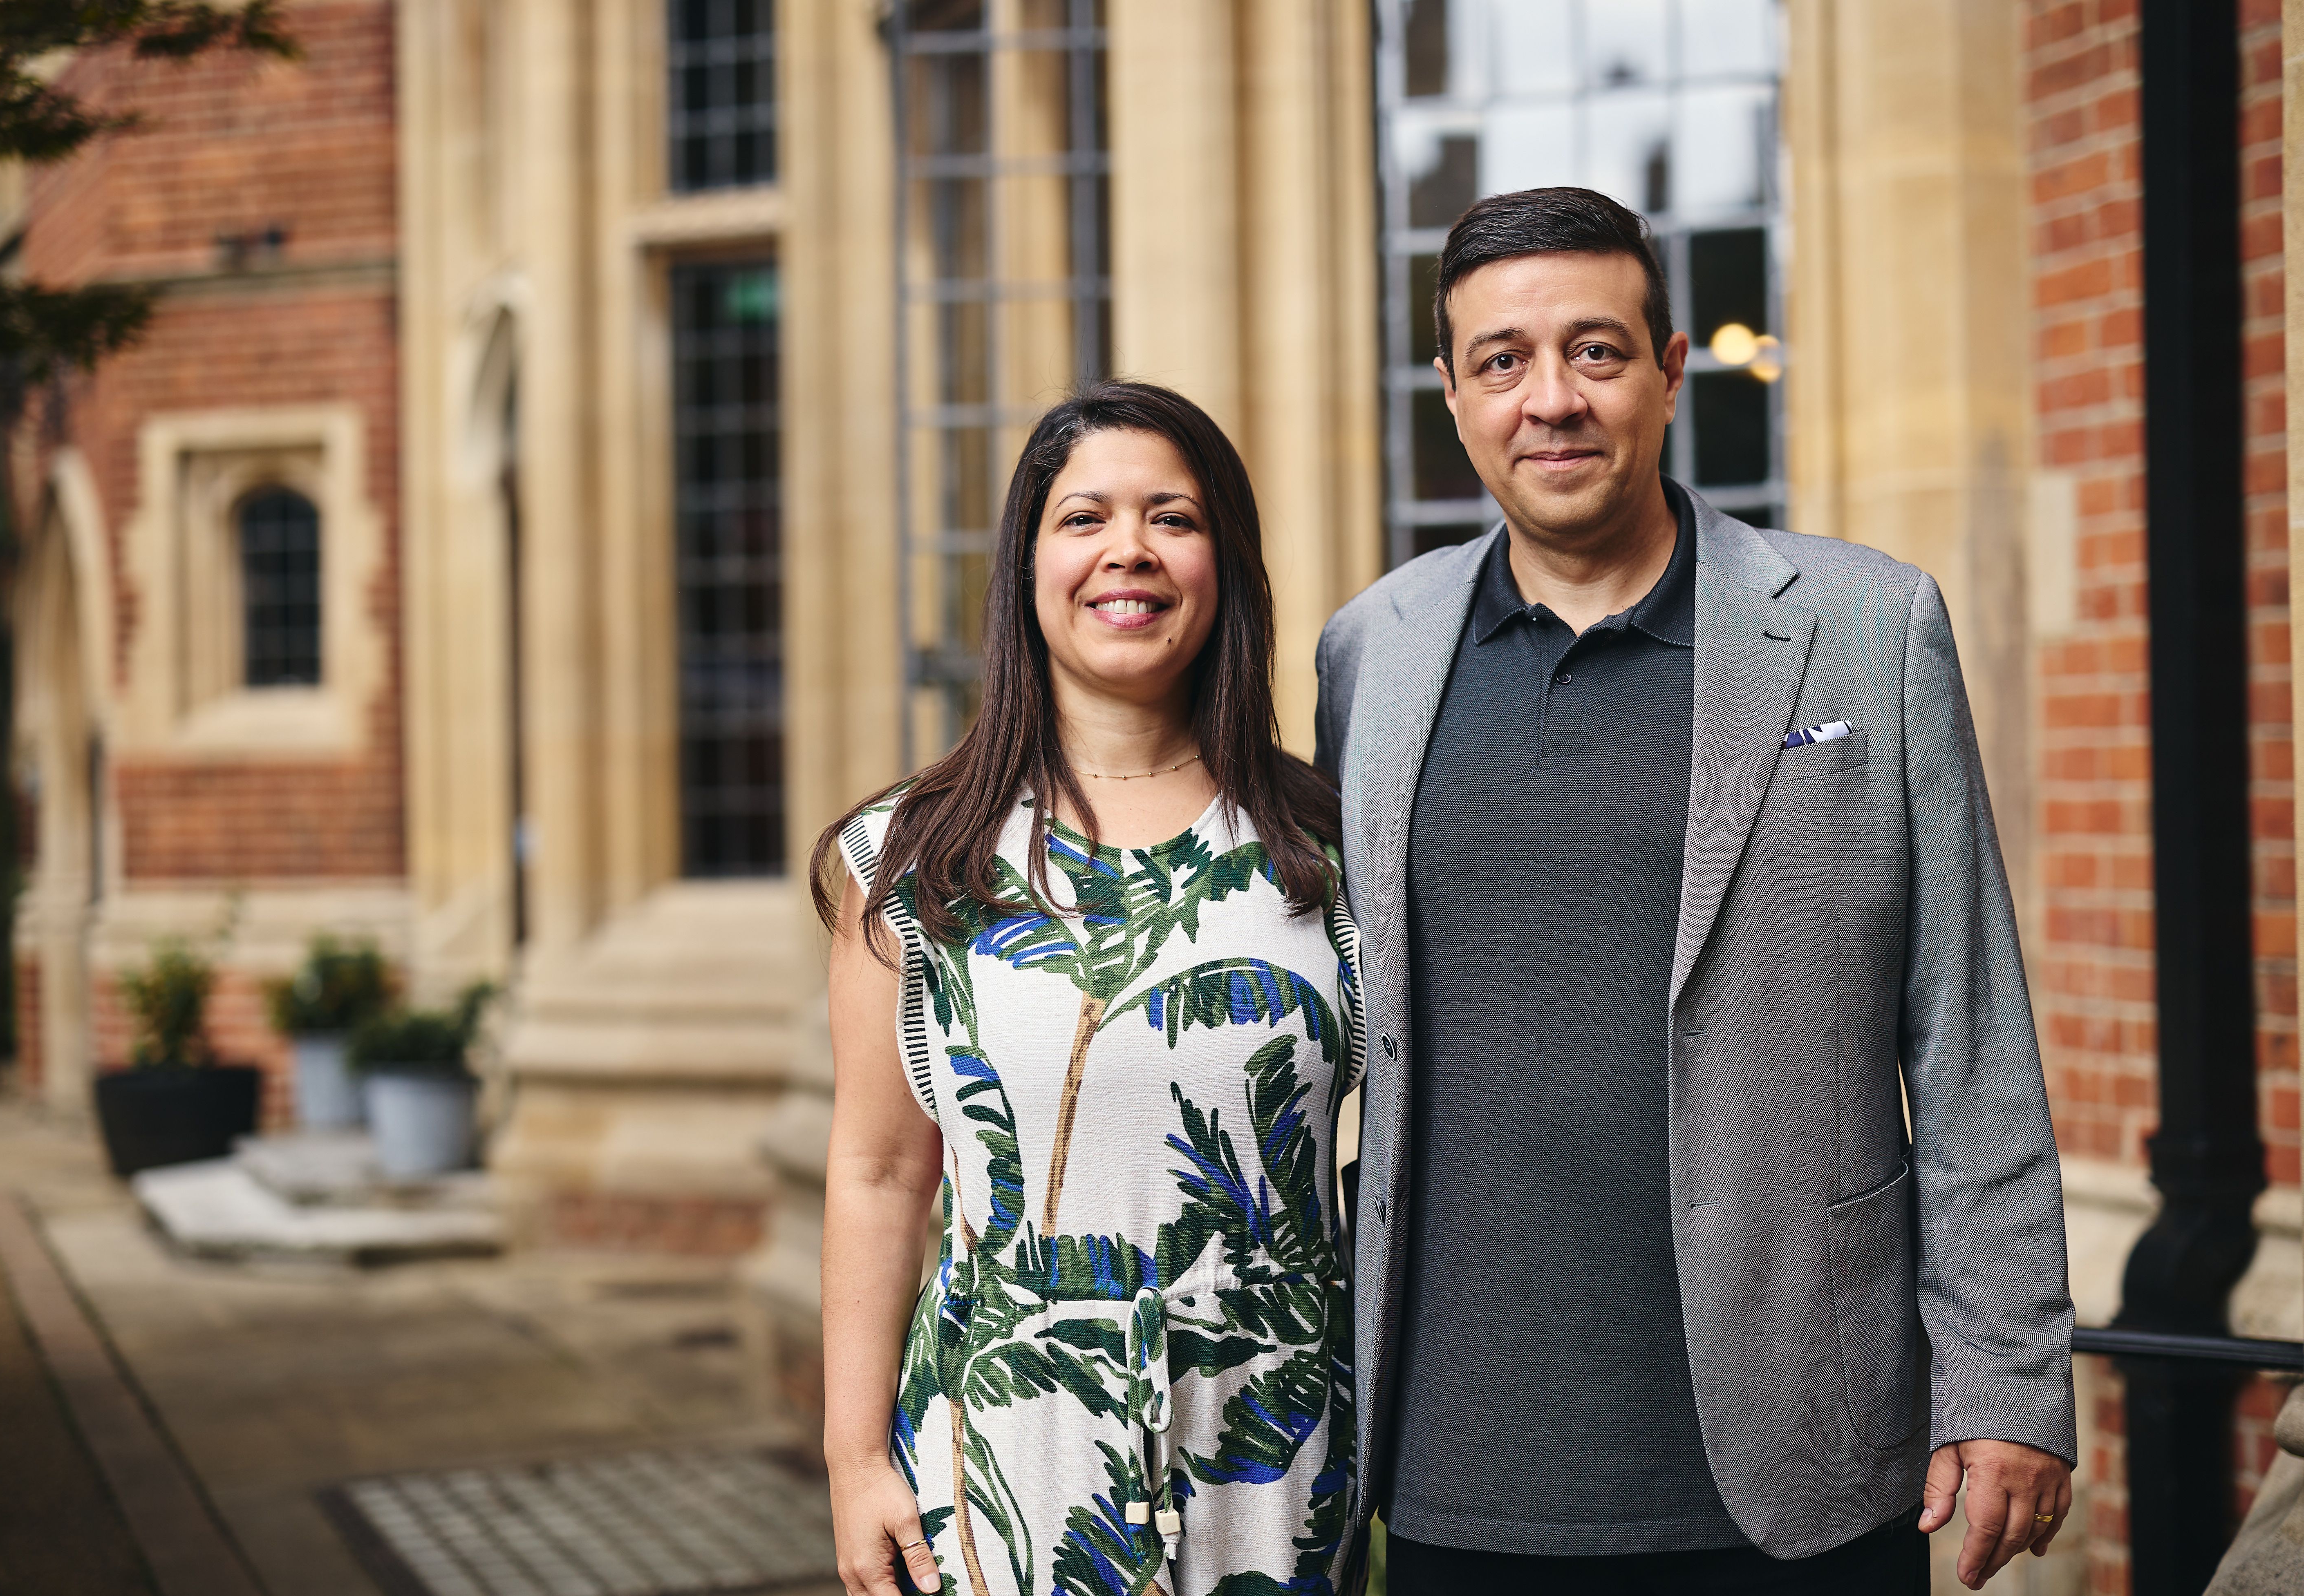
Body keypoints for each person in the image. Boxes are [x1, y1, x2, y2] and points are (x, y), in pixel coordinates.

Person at [1314, 188, 2076, 1595]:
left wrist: (2007, 1375)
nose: (1550, 399)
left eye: (1596, 353)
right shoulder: (1371, 651)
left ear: (1669, 370)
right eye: (1502, 361)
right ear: (1451, 394)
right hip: (1452, 1470)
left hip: (1801, 1454)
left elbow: (1966, 1029)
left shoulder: (1865, 625)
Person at [817, 382, 1363, 1596]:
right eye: (1084, 519)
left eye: (1172, 517)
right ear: (1024, 566)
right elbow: (877, 1169)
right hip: (1002, 1466)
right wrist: (854, 1456)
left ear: (1224, 564)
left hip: (1272, 1464)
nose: (1129, 550)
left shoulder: (1334, 849)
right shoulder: (911, 861)